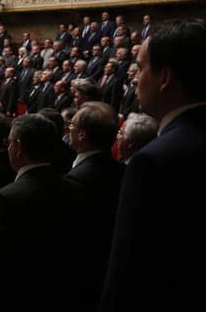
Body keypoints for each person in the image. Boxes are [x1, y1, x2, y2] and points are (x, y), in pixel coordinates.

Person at [102, 20, 206, 312]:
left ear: (165, 78)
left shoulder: (153, 161)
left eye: (140, 68)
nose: (134, 79)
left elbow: (128, 276)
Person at [0, 114, 85, 312]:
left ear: (18, 147)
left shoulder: (5, 198)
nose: (8, 147)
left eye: (9, 142)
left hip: (17, 299)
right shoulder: (74, 188)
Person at [65, 101, 124, 310]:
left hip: (80, 276)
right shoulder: (121, 169)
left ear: (82, 135)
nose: (67, 128)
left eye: (71, 124)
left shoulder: (77, 179)